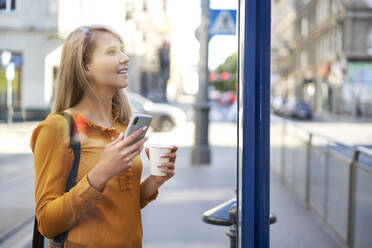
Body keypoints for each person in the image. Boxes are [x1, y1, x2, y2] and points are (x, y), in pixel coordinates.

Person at [30, 25, 177, 247]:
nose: (125, 58)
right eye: (111, 52)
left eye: (122, 50)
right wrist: (101, 173)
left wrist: (154, 182)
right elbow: (47, 223)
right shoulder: (56, 128)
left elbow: (119, 206)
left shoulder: (121, 127)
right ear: (84, 66)